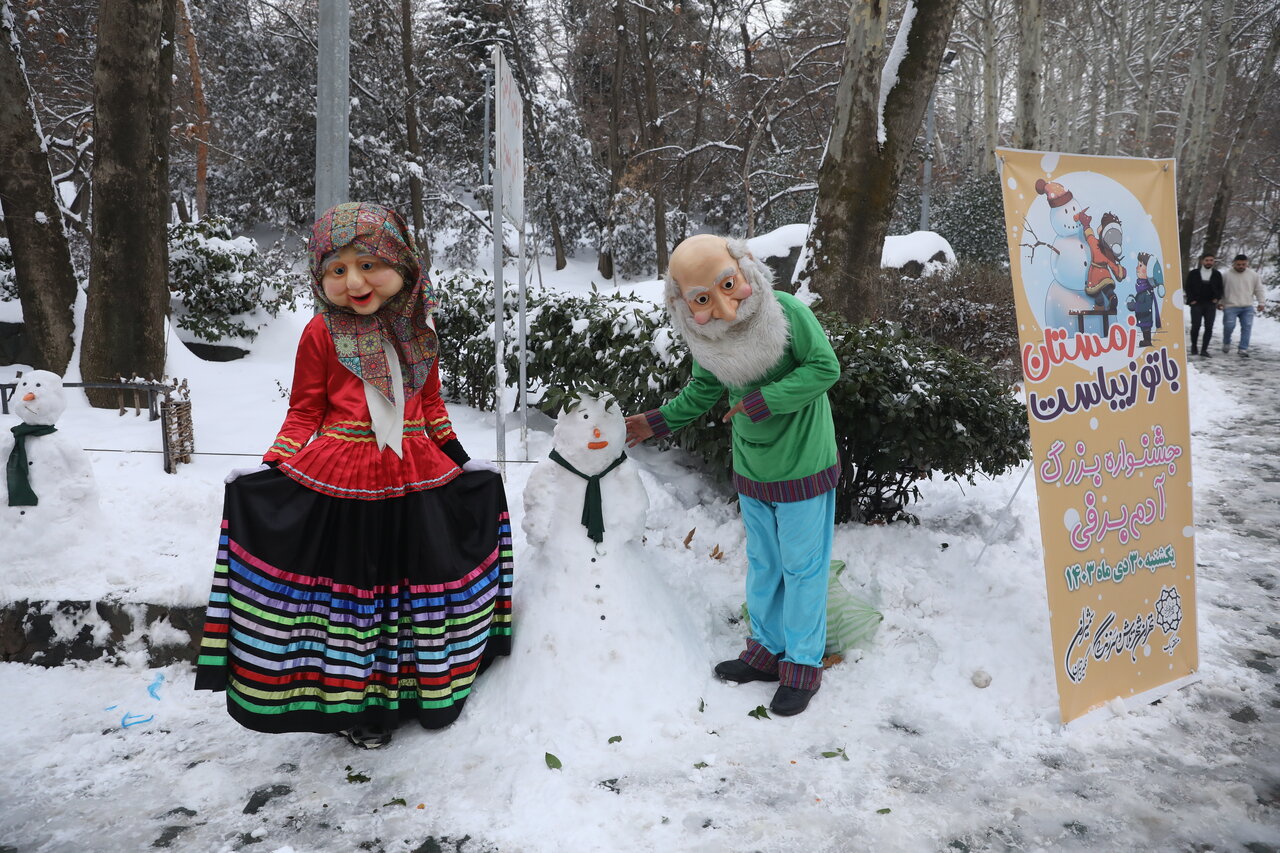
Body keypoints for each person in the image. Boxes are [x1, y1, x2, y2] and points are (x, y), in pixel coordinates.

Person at [195, 202, 513, 749]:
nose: (354, 281)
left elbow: (431, 407)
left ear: (402, 264)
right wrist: (270, 466)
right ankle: (360, 707)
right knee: (357, 600)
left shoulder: (420, 329)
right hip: (344, 474)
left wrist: (462, 461)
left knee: (414, 593)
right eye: (337, 270)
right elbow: (304, 412)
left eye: (369, 264)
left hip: (418, 473)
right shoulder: (321, 333)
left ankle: (421, 693)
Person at [624, 234, 840, 717]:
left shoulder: (784, 312)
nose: (722, 305)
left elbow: (825, 367)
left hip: (804, 462)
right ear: (683, 304)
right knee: (765, 564)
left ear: (745, 269)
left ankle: (803, 666)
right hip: (754, 468)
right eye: (702, 299)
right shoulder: (708, 340)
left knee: (803, 570)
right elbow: (702, 392)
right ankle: (765, 652)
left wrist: (764, 401)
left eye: (728, 284)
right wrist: (653, 422)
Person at [1219, 253, 1266, 358]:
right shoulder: (1226, 275)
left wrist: (1261, 302)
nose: (1241, 266)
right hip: (1230, 305)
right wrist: (1219, 302)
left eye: (1243, 264)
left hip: (1247, 306)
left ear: (1247, 264)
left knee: (1247, 327)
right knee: (1229, 326)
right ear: (1234, 264)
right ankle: (1226, 341)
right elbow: (1219, 290)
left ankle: (1243, 348)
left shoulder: (1253, 275)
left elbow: (1259, 289)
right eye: (1238, 264)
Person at [1182, 252, 1222, 356]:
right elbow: (1188, 287)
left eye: (1211, 260)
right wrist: (1191, 300)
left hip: (1210, 304)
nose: (1209, 262)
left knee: (1209, 327)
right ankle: (1194, 346)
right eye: (1207, 260)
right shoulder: (1194, 273)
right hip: (1197, 304)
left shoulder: (1217, 274)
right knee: (1196, 326)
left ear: (1213, 262)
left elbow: (1221, 288)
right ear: (1202, 261)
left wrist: (1217, 298)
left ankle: (1204, 349)